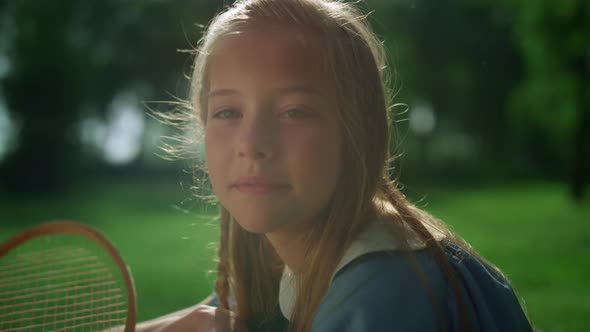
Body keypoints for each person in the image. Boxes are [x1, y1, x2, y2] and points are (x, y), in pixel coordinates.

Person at [138, 0, 534, 331]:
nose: (252, 145)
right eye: (227, 111)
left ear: (357, 130)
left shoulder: (384, 294)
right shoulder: (275, 252)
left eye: (294, 112)